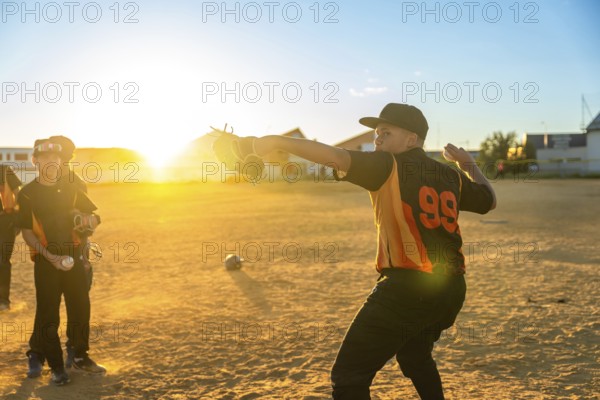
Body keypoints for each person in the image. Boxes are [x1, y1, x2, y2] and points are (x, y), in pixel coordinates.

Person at [237, 103, 497, 399]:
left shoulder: (387, 164)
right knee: (415, 357)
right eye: (377, 133)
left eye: (386, 132)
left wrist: (273, 141)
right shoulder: (450, 176)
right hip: (451, 290)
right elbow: (489, 201)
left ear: (411, 139)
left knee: (348, 377)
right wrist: (469, 165)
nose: (377, 139)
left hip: (407, 290)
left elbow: (334, 156)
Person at [17, 139, 105, 386]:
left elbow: (93, 216)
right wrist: (51, 257)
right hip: (47, 262)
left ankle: (79, 355)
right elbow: (27, 233)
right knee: (48, 315)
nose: (52, 162)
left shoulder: (71, 187)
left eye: (56, 159)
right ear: (35, 161)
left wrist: (91, 222)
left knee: (80, 307)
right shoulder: (28, 193)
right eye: (45, 158)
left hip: (74, 257)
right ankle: (56, 367)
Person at [0, 164, 22, 310]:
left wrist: (17, 217)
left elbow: (17, 193)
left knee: (2, 260)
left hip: (5, 221)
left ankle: (3, 301)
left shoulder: (4, 170)